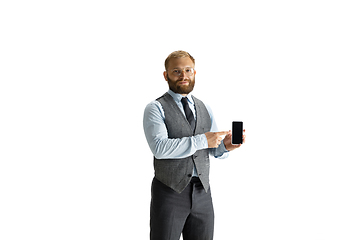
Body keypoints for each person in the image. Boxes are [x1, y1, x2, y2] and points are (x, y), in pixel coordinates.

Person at [143, 50, 245, 240]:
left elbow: (212, 149)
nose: (184, 76)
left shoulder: (204, 107)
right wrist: (203, 140)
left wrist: (225, 147)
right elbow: (159, 148)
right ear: (166, 75)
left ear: (195, 73)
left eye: (188, 70)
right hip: (169, 191)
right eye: (176, 71)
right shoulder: (155, 108)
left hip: (202, 193)